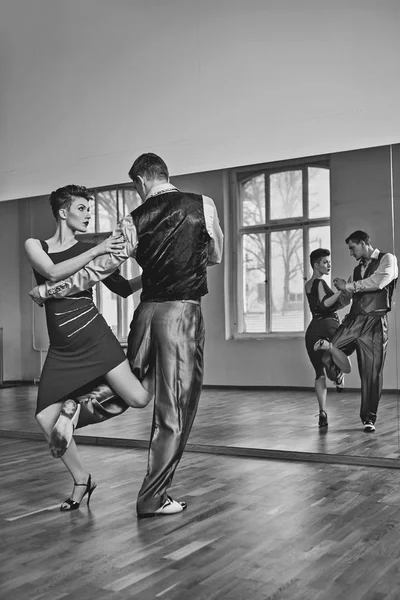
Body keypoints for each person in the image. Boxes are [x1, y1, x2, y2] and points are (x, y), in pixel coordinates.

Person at [30, 154, 224, 518]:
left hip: (146, 314)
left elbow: (96, 272)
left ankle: (75, 412)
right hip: (181, 312)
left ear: (139, 182)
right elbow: (214, 254)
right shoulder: (204, 206)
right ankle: (153, 498)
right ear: (164, 175)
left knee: (134, 386)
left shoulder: (133, 219)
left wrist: (47, 292)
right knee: (175, 409)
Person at [25, 185, 153, 512]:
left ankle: (79, 406)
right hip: (62, 347)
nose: (87, 215)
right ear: (63, 211)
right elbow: (52, 272)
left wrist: (148, 278)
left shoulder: (92, 248)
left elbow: (123, 288)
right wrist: (97, 251)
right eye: (81, 208)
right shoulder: (36, 245)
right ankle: (82, 479)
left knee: (138, 398)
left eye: (88, 209)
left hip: (94, 335)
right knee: (45, 418)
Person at [318, 230, 398, 433]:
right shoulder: (355, 271)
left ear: (363, 243)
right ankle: (338, 375)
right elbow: (346, 298)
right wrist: (335, 296)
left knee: (371, 374)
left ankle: (369, 418)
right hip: (354, 321)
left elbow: (379, 281)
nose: (351, 253)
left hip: (375, 324)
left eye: (352, 248)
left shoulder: (387, 259)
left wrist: (350, 286)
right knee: (328, 356)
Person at [305, 249, 351, 428]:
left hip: (312, 330)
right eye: (325, 262)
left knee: (319, 374)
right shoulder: (319, 282)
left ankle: (322, 412)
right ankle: (338, 377)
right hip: (329, 326)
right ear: (316, 265)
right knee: (341, 358)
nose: (328, 265)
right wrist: (341, 292)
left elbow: (317, 305)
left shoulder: (308, 284)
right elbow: (325, 304)